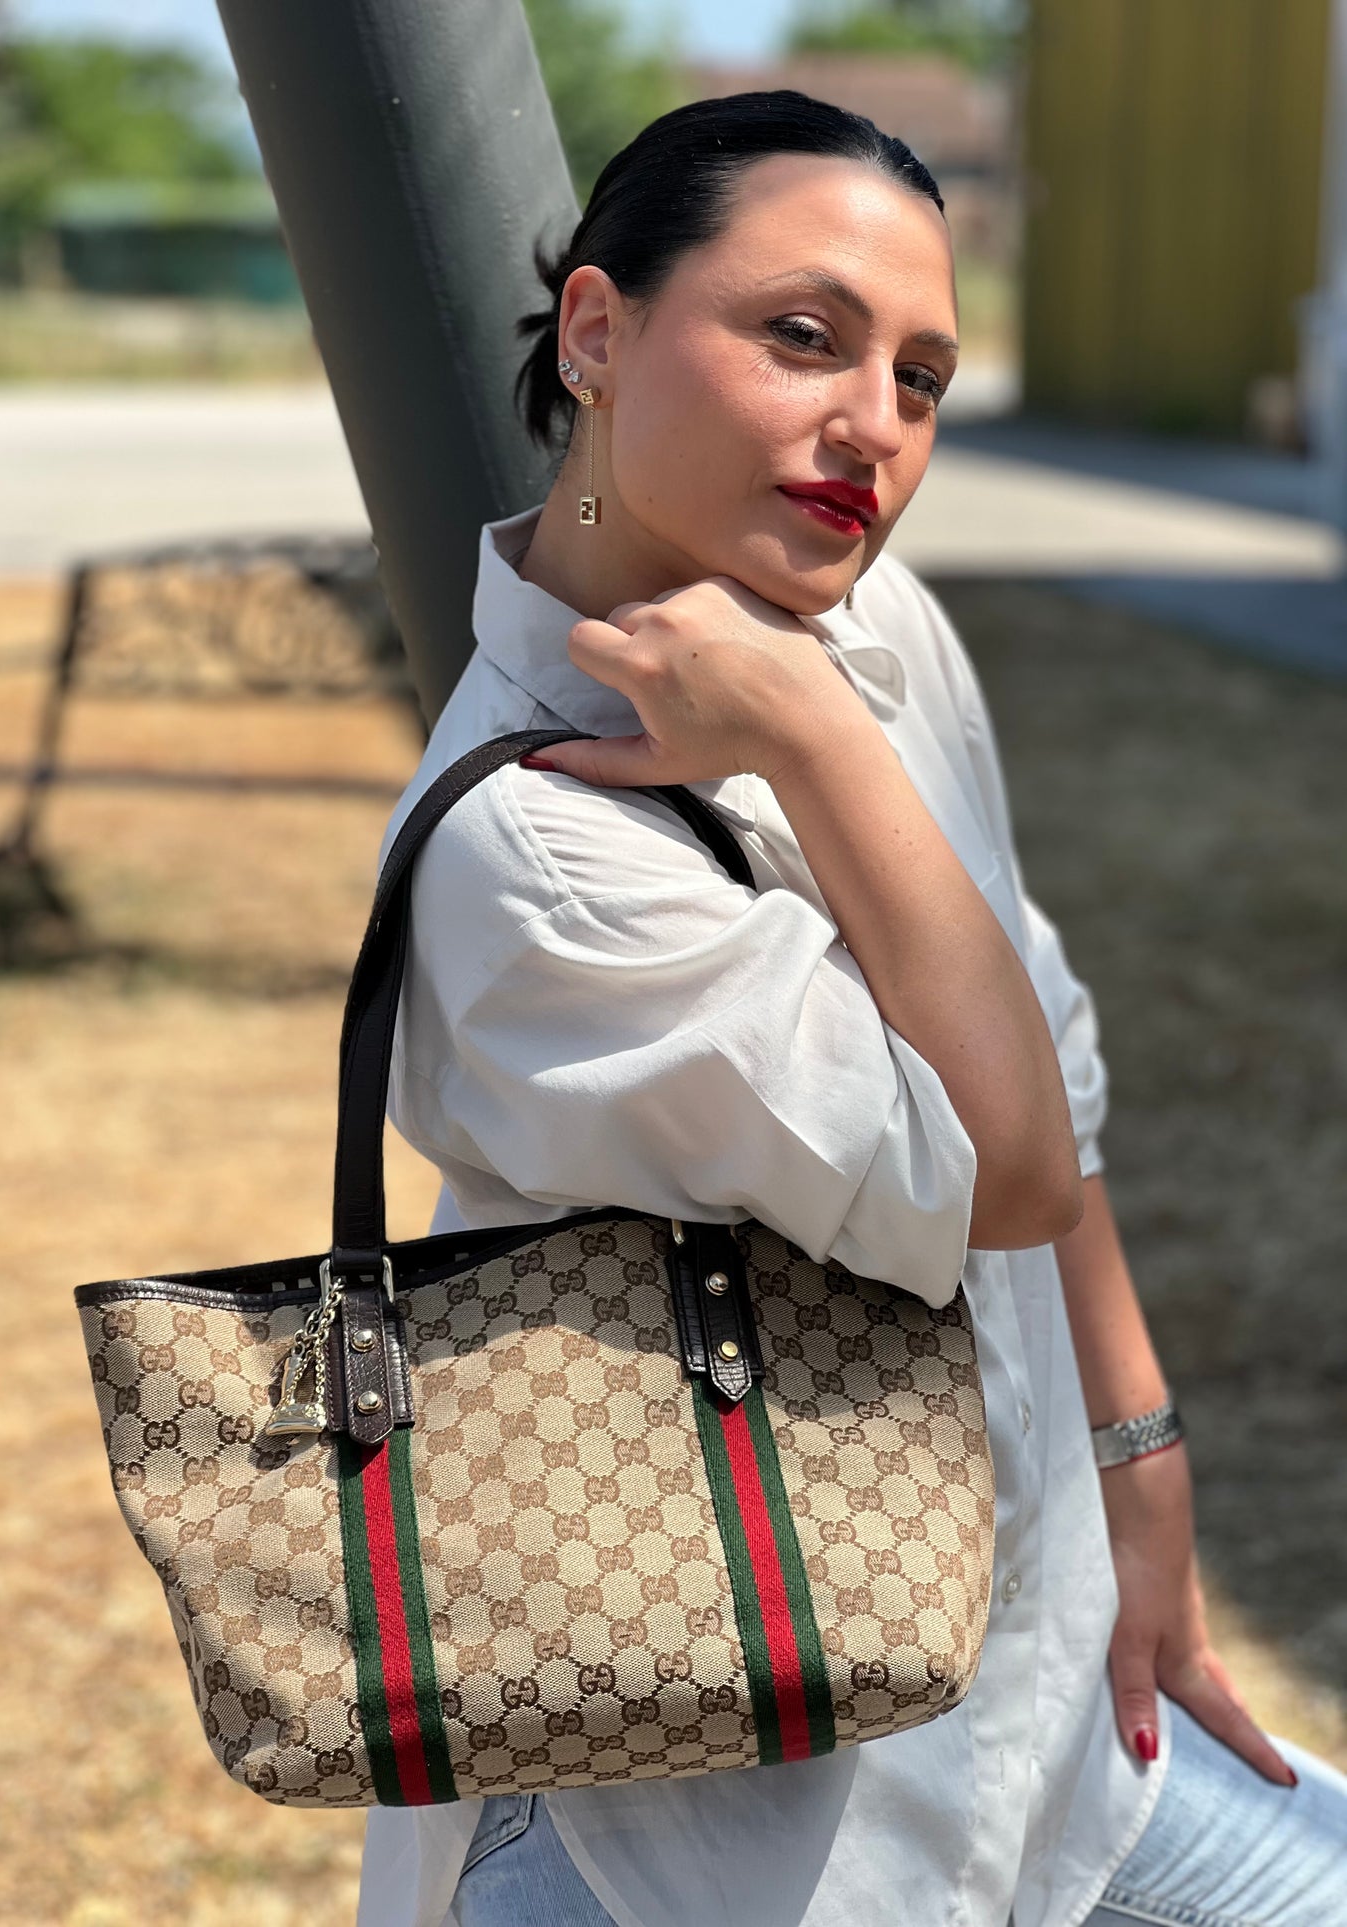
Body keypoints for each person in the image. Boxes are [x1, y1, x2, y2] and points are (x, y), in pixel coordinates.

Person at [357, 92, 1347, 1927]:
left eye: (922, 377)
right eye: (801, 336)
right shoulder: (536, 851)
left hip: (1043, 1727)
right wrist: (818, 743)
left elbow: (1042, 1050)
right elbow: (1004, 1171)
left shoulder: (878, 634)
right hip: (723, 1830)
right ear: (596, 332)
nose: (874, 425)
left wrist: (1138, 1462)